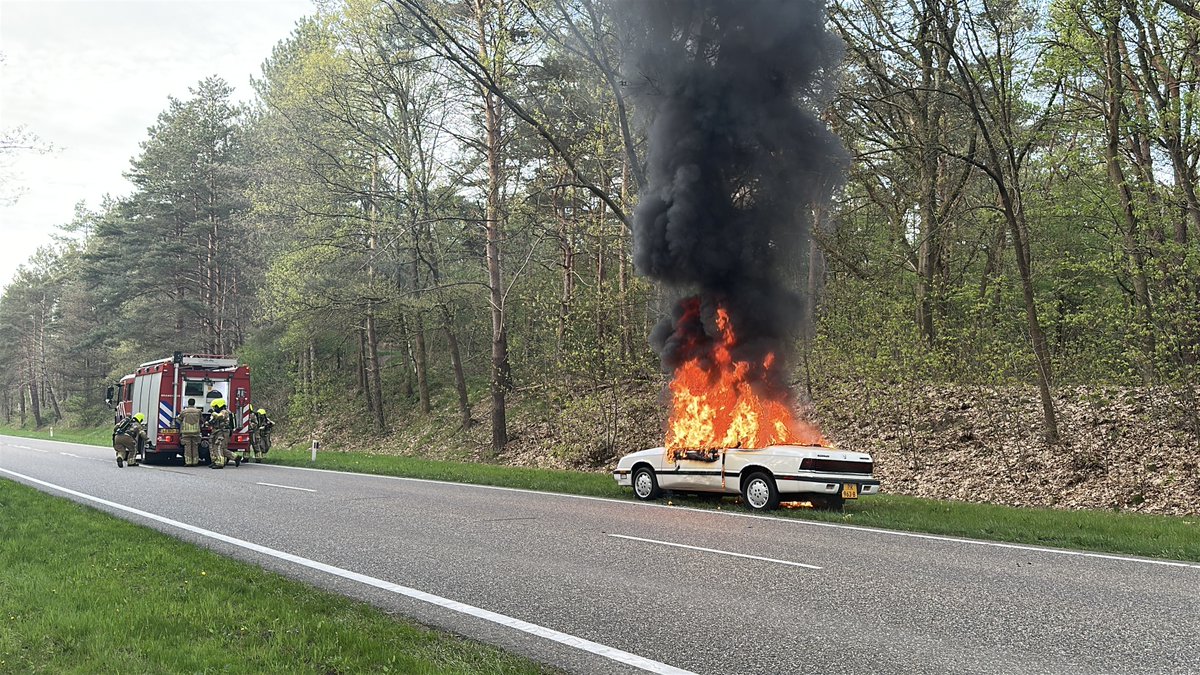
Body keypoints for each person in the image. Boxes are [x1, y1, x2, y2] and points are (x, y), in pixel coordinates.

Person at [207, 398, 239, 469]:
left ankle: (220, 463)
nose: (214, 408)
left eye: (215, 407)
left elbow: (219, 417)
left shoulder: (224, 412)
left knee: (218, 446)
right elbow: (213, 421)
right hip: (217, 431)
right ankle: (235, 457)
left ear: (219, 405)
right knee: (218, 448)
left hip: (223, 432)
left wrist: (213, 412)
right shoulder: (218, 412)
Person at [177, 398, 203, 467]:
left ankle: (188, 462)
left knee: (187, 447)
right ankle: (195, 462)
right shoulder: (198, 411)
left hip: (186, 432)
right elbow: (201, 420)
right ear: (194, 403)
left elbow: (179, 419)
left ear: (188, 403)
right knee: (195, 447)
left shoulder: (184, 411)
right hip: (196, 432)